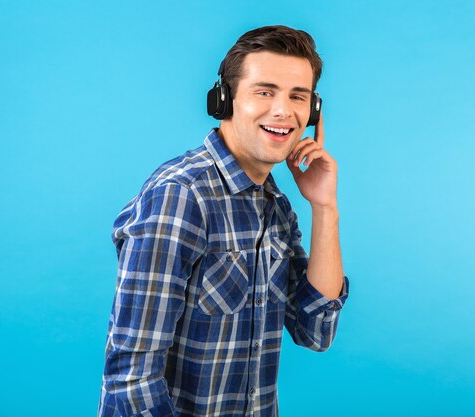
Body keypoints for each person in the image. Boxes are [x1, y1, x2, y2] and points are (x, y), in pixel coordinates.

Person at [98, 25, 350, 417]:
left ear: (313, 111)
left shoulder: (275, 206)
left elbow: (316, 330)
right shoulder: (181, 196)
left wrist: (324, 206)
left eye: (298, 96)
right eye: (265, 92)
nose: (284, 111)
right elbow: (132, 379)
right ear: (224, 100)